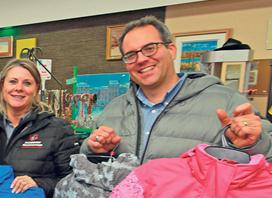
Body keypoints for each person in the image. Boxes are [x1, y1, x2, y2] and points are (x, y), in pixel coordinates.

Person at [83, 15, 272, 162]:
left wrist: (252, 144)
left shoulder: (226, 100)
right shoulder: (113, 109)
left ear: (171, 50)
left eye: (150, 48)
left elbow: (266, 158)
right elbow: (91, 157)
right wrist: (93, 148)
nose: (141, 59)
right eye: (131, 55)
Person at [0, 59, 78, 198]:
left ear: (36, 89)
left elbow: (73, 181)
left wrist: (38, 184)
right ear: (2, 86)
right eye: (13, 81)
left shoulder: (57, 129)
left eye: (27, 83)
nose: (19, 88)